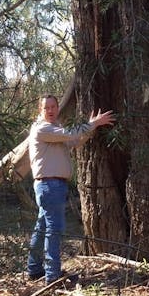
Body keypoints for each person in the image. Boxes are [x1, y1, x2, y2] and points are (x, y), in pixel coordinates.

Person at [27, 94, 115, 284]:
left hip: (51, 186)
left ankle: (34, 269)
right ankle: (52, 275)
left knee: (42, 227)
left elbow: (74, 141)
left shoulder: (55, 129)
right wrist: (95, 123)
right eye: (46, 108)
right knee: (54, 229)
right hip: (49, 185)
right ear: (40, 111)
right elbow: (71, 134)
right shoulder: (42, 128)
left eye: (53, 107)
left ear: (58, 108)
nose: (50, 111)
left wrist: (91, 128)